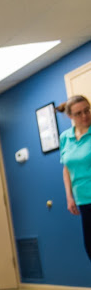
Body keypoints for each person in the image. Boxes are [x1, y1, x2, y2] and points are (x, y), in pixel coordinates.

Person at [57, 95, 91, 262]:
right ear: (70, 116)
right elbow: (66, 168)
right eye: (78, 113)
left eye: (87, 110)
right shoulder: (65, 137)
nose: (84, 116)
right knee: (90, 248)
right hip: (83, 199)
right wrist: (69, 197)